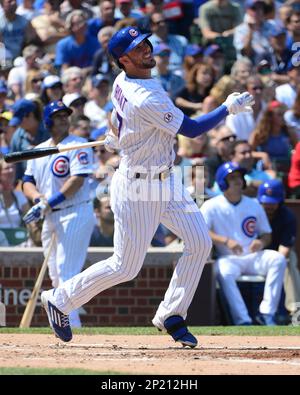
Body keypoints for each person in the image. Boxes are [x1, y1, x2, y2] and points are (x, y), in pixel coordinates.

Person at [40, 26, 254, 345]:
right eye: (138, 48)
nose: (147, 49)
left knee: (199, 242)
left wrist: (119, 136)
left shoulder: (125, 80)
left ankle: (171, 313)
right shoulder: (145, 97)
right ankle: (61, 298)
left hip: (165, 178)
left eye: (146, 43)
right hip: (139, 186)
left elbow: (116, 114)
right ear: (123, 59)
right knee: (125, 266)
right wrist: (227, 108)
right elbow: (193, 130)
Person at [22, 100, 95, 328]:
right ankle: (64, 321)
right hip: (50, 214)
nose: (63, 118)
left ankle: (71, 324)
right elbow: (27, 181)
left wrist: (49, 202)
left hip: (75, 211)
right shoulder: (39, 149)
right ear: (48, 121)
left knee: (67, 271)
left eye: (65, 115)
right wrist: (37, 200)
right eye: (58, 115)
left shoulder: (79, 144)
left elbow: (77, 180)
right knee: (55, 273)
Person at [200, 162, 286, 325]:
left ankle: (267, 314)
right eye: (232, 178)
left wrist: (260, 242)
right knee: (224, 271)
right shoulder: (211, 205)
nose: (238, 181)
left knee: (278, 259)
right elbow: (202, 232)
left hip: (253, 257)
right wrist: (225, 240)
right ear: (223, 182)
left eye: (239, 177)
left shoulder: (253, 203)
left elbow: (267, 234)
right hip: (229, 258)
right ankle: (243, 319)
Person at [257, 179, 300, 316]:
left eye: (273, 202)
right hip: (254, 256)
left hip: (277, 254)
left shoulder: (287, 216)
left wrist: (276, 262)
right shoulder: (252, 211)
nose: (269, 205)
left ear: (280, 200)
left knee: (289, 261)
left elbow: (284, 251)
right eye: (266, 202)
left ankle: (295, 311)